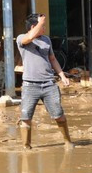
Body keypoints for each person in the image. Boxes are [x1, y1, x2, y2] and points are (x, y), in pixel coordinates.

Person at [16, 13, 74, 149]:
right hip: (30, 85)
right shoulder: (21, 38)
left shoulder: (46, 40)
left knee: (58, 114)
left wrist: (62, 76)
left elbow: (53, 59)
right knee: (26, 118)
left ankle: (67, 141)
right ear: (33, 26)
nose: (44, 29)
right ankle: (26, 146)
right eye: (42, 26)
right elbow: (29, 37)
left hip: (49, 84)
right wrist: (40, 22)